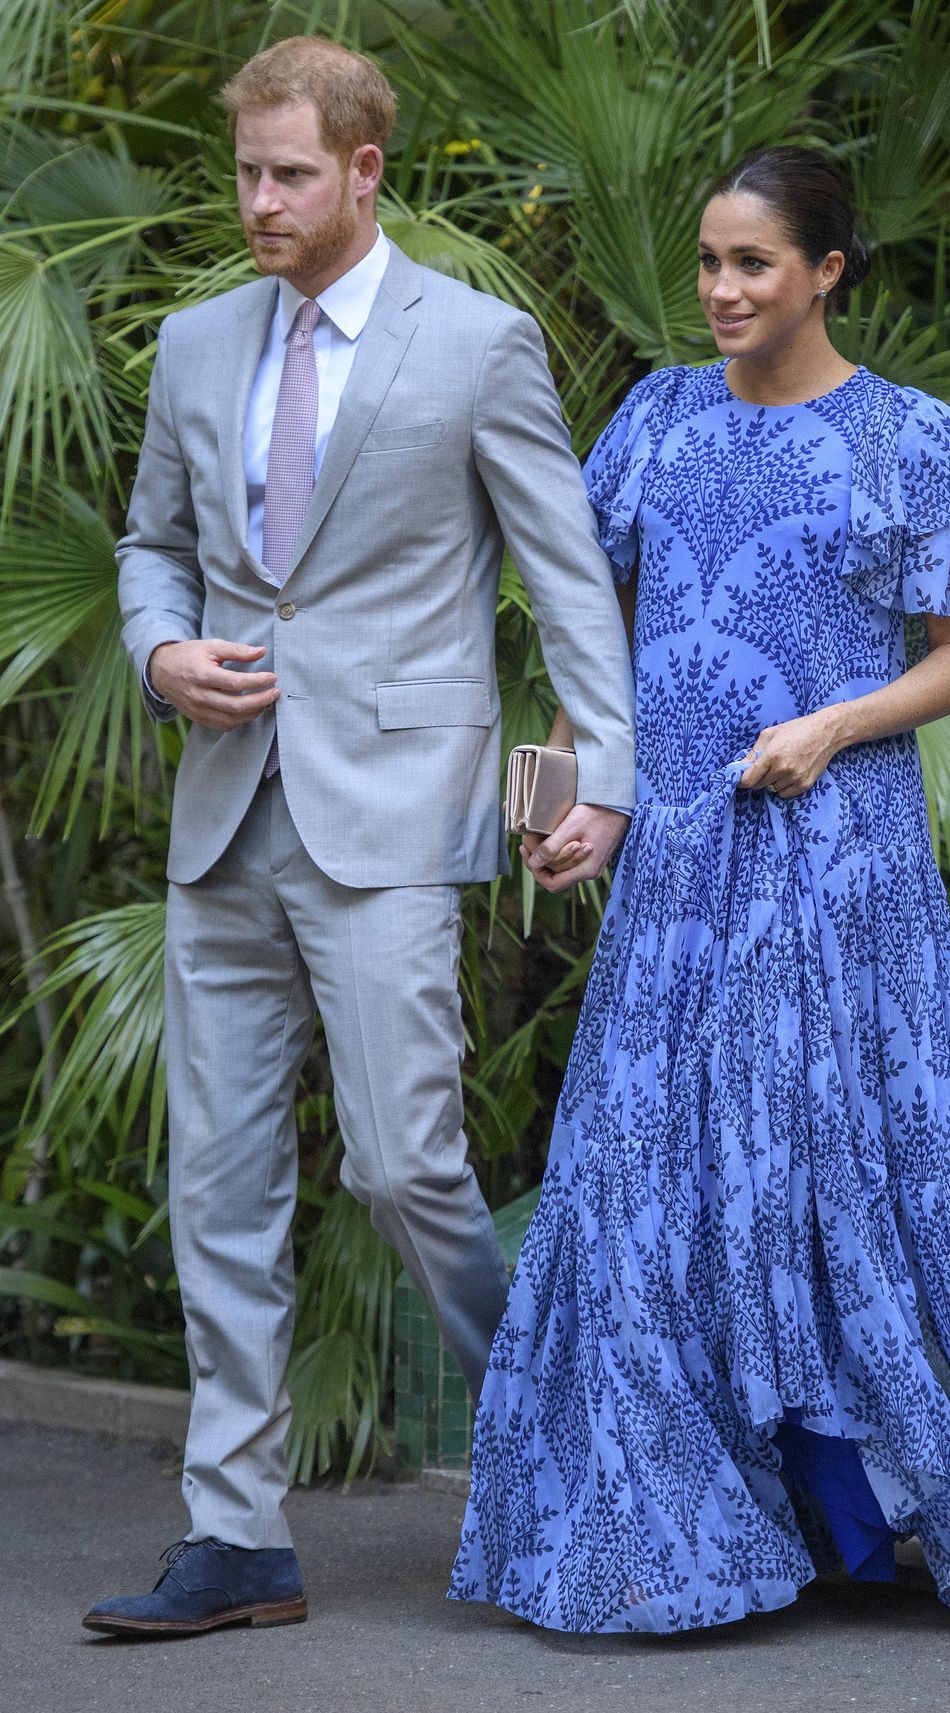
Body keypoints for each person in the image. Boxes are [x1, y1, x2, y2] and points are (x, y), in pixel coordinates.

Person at [450, 145, 950, 1634]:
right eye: (706, 262)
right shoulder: (655, 422)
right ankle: (668, 1524)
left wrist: (832, 722)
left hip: (831, 862)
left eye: (753, 263)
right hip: (674, 864)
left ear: (827, 270)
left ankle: (859, 1503)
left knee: (828, 1184)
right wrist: (558, 800)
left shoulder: (910, 437)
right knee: (638, 1176)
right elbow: (589, 641)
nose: (722, 290)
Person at [84, 36, 633, 1637]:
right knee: (222, 1184)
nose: (258, 200)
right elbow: (149, 544)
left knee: (406, 1168)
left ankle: (577, 1443)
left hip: (395, 819)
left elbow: (566, 582)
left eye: (290, 174)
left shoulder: (475, 344)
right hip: (221, 816)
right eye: (245, 171)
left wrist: (587, 783)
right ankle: (237, 1534)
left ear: (366, 170)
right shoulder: (194, 345)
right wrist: (158, 646)